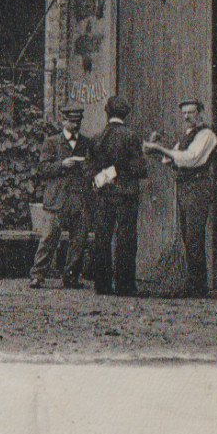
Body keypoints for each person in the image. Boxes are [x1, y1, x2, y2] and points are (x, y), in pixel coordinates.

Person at [144, 98, 217, 297]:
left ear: (201, 113)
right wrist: (158, 145)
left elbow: (191, 159)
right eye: (184, 113)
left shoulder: (206, 135)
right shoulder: (187, 135)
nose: (187, 117)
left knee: (194, 236)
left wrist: (161, 149)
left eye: (191, 112)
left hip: (198, 187)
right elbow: (170, 158)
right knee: (187, 236)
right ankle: (193, 284)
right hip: (185, 187)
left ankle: (199, 287)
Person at [30, 107, 94, 289]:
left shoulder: (86, 143)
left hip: (79, 198)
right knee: (48, 237)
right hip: (57, 198)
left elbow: (91, 167)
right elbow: (42, 168)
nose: (75, 125)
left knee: (79, 240)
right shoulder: (52, 143)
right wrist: (62, 164)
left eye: (78, 122)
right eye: (72, 121)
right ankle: (37, 275)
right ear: (63, 121)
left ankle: (71, 277)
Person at [89, 95, 146, 296]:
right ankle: (125, 285)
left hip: (104, 193)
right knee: (126, 237)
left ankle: (102, 285)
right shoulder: (131, 136)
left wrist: (107, 176)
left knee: (102, 237)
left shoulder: (97, 137)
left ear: (107, 112)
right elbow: (139, 169)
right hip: (126, 194)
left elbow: (92, 170)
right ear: (126, 114)